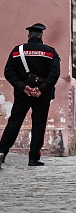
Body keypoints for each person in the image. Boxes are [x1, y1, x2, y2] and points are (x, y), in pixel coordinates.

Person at [0, 23, 60, 167]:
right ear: (41, 36)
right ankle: (34, 158)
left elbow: (8, 72)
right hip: (42, 94)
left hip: (22, 94)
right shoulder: (50, 52)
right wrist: (41, 88)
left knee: (14, 122)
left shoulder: (17, 51)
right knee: (39, 124)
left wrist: (23, 87)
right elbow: (55, 74)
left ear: (29, 36)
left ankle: (1, 152)